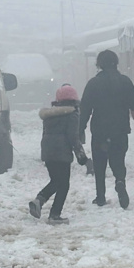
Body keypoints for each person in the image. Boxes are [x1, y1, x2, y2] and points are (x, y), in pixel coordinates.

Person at [80, 50, 134, 209]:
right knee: (118, 160)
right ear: (116, 63)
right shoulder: (124, 81)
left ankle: (100, 196)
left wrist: (80, 129)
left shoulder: (93, 84)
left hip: (100, 131)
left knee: (99, 164)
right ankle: (120, 181)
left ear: (100, 64)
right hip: (120, 129)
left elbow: (85, 109)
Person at [29, 84, 88, 224]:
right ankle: (54, 214)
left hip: (48, 152)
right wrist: (81, 155)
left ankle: (39, 200)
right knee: (63, 184)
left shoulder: (49, 115)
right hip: (62, 154)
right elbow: (73, 137)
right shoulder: (72, 115)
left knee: (56, 181)